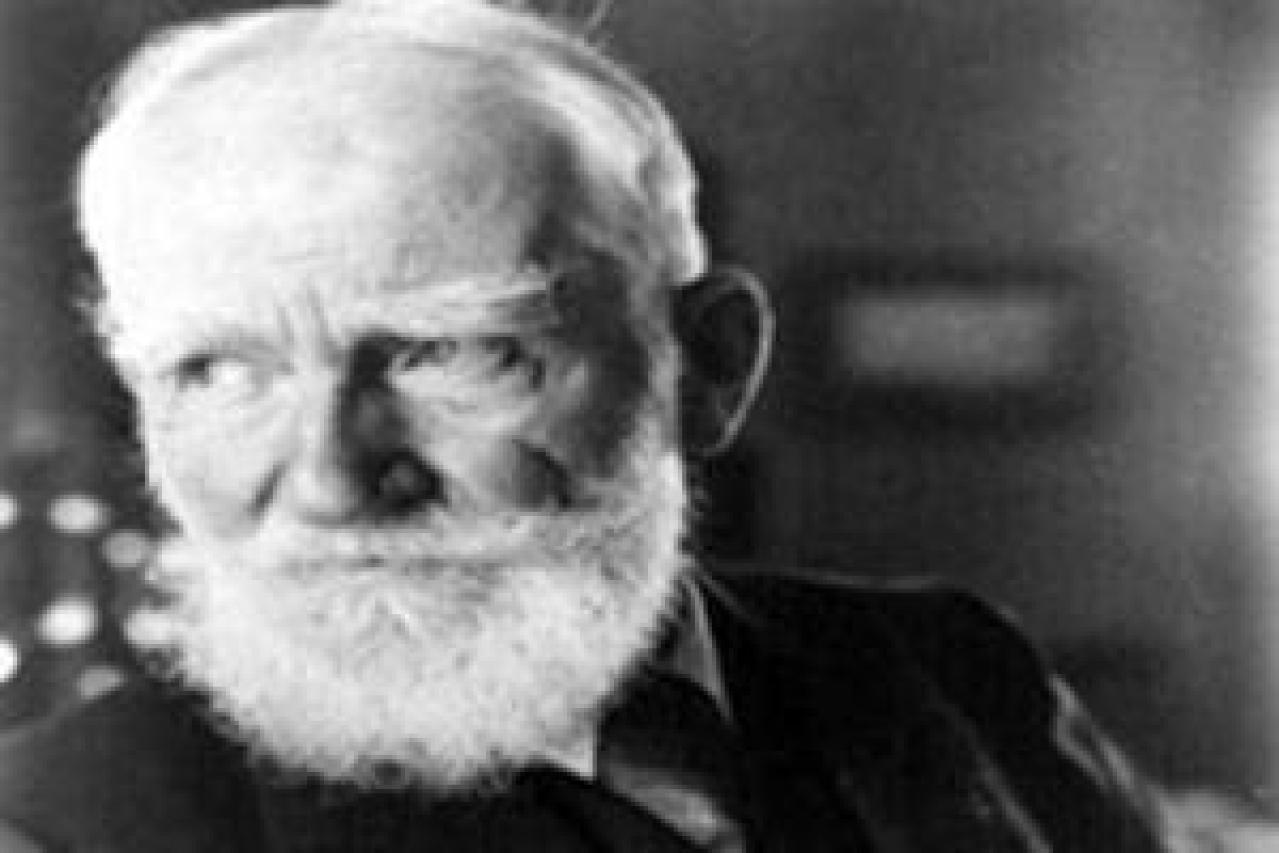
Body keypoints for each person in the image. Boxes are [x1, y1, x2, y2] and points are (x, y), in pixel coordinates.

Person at [0, 1, 1181, 850]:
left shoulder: (949, 668)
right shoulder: (67, 822)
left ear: (710, 367)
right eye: (216, 370)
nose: (327, 480)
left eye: (449, 350)